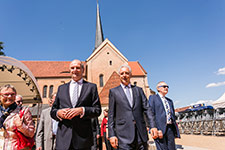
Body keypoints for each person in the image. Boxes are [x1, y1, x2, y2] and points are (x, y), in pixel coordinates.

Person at [50, 59, 101, 150]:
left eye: (77, 68)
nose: (75, 70)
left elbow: (97, 110)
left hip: (83, 139)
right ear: (69, 70)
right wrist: (58, 113)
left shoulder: (91, 87)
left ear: (83, 70)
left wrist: (82, 110)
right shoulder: (61, 88)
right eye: (72, 68)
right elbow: (53, 111)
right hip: (63, 139)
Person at [108, 65, 158, 150]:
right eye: (122, 73)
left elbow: (147, 108)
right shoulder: (114, 92)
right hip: (123, 136)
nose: (124, 75)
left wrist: (153, 125)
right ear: (119, 75)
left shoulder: (139, 90)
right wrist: (112, 134)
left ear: (130, 75)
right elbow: (111, 115)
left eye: (127, 73)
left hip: (140, 134)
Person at [0, 84, 35, 150]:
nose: (9, 96)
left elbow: (31, 133)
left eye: (12, 94)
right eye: (6, 94)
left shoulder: (23, 111)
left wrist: (21, 126)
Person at [149, 81, 180, 150]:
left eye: (167, 87)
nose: (166, 88)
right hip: (159, 128)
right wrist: (155, 128)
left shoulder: (170, 101)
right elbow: (151, 113)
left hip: (170, 128)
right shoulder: (153, 98)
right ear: (158, 88)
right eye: (164, 86)